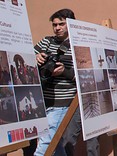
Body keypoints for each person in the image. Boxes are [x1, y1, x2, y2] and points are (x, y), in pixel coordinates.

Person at [33, 9, 99, 156]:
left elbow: (87, 77)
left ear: (70, 24)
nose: (57, 28)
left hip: (63, 102)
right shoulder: (46, 41)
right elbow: (26, 58)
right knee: (58, 145)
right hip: (42, 101)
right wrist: (36, 57)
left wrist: (65, 71)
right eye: (54, 25)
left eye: (61, 24)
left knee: (45, 144)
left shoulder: (80, 46)